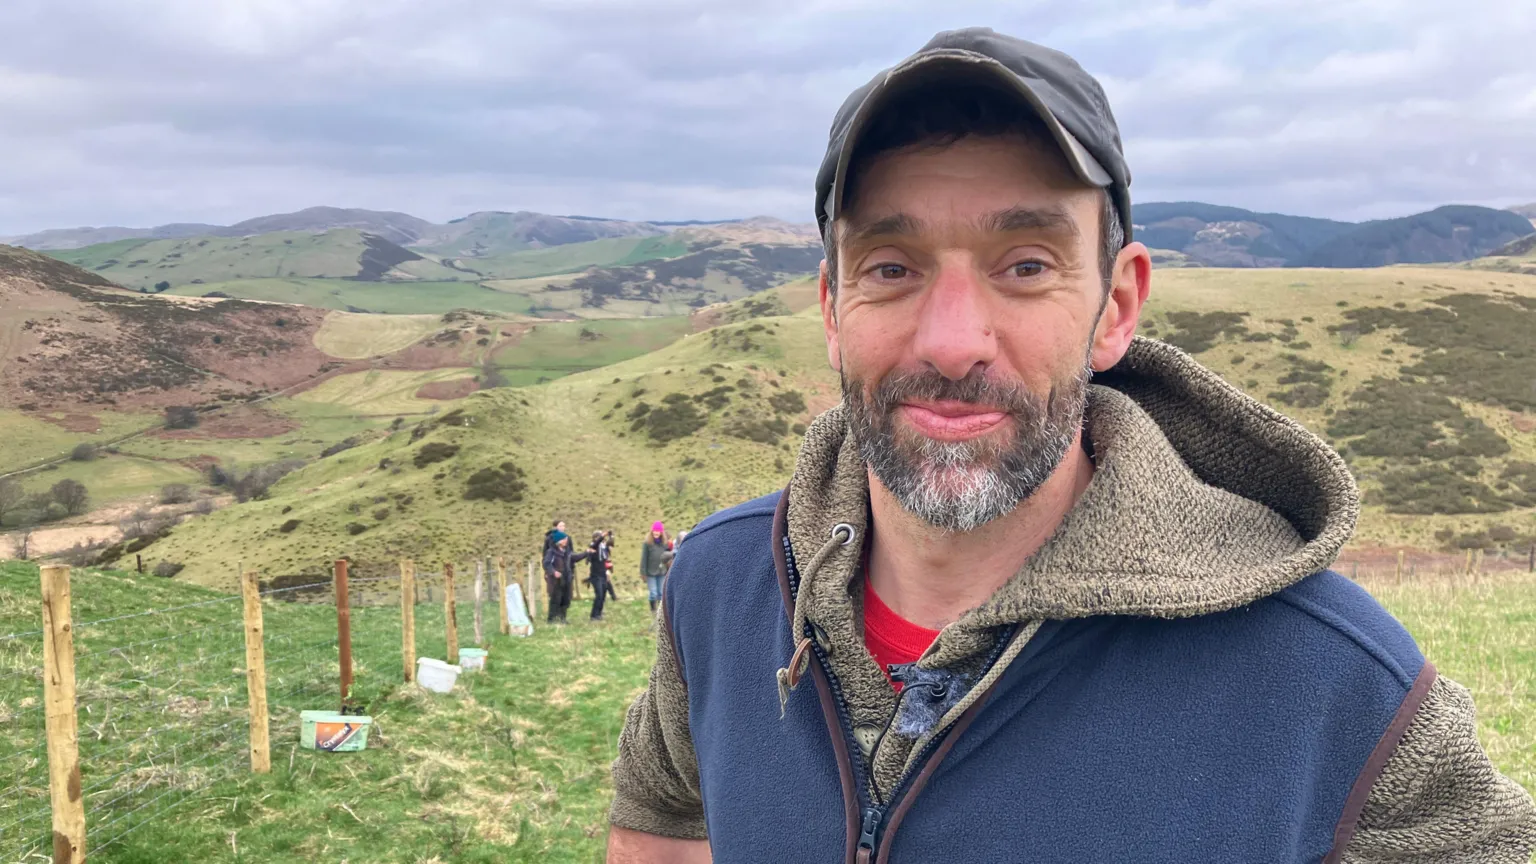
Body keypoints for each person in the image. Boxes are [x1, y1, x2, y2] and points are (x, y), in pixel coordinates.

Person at [607, 28, 1536, 863]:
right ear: (832, 309)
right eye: (891, 269)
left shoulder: (1332, 683)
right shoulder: (722, 586)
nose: (953, 340)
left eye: (1026, 266)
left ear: (1116, 307)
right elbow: (659, 824)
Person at [542, 530, 586, 625]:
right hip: (556, 581)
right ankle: (551, 620)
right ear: (559, 541)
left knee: (566, 599)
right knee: (555, 600)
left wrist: (586, 553)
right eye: (564, 539)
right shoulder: (551, 552)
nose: (566, 540)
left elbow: (575, 558)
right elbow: (546, 563)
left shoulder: (567, 552)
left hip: (567, 578)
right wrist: (553, 572)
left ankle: (562, 619)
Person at [639, 522, 670, 614]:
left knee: (661, 593)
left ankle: (660, 612)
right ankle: (653, 610)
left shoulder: (665, 544)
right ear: (652, 531)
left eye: (658, 531)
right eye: (654, 531)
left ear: (661, 532)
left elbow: (668, 557)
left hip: (662, 572)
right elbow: (644, 558)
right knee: (653, 593)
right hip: (650, 572)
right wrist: (643, 573)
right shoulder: (647, 544)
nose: (656, 533)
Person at [585, 529, 613, 621]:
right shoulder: (593, 547)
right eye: (599, 537)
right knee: (599, 594)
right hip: (595, 575)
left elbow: (611, 545)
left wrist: (611, 536)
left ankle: (599, 614)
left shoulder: (603, 547)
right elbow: (596, 543)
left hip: (603, 574)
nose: (601, 539)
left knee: (603, 594)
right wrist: (602, 536)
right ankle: (594, 615)